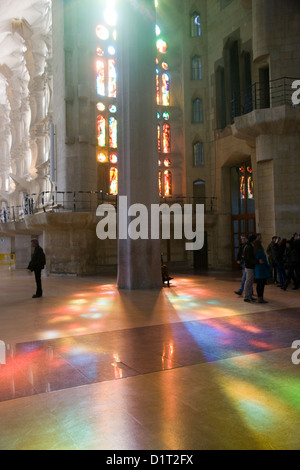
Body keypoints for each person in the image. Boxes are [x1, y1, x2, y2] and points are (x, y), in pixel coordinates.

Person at [243, 234, 257, 303]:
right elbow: (249, 258)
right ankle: (246, 296)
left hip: (250, 266)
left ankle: (249, 295)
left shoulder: (250, 246)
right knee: (248, 281)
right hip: (249, 266)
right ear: (253, 240)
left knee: (250, 281)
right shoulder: (248, 247)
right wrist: (256, 262)